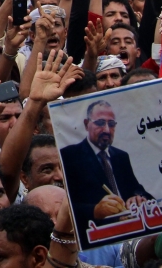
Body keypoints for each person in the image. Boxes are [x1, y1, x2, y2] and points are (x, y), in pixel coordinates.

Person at [59, 100, 152, 238]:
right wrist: (95, 211)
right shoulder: (69, 156)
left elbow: (136, 188)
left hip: (132, 229)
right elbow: (66, 207)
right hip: (97, 235)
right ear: (86, 124)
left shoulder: (121, 156)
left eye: (111, 124)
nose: (107, 130)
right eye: (100, 123)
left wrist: (138, 197)